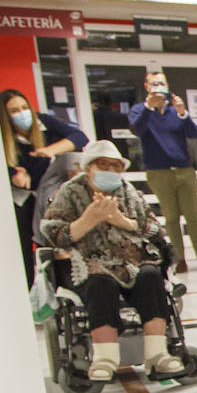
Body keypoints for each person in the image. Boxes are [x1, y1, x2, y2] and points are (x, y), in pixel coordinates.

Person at [41, 140, 185, 380]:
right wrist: (87, 220)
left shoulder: (130, 193)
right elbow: (53, 232)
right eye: (103, 165)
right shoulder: (70, 193)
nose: (111, 171)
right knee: (101, 283)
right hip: (88, 263)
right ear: (88, 168)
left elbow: (154, 229)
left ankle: (157, 354)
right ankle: (105, 359)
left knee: (151, 276)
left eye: (116, 166)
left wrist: (123, 222)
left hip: (131, 262)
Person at [129, 70, 197, 273]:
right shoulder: (139, 111)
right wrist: (148, 108)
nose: (159, 87)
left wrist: (182, 113)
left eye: (162, 83)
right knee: (171, 217)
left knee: (193, 216)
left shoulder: (175, 111)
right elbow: (137, 129)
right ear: (147, 87)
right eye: (155, 84)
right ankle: (180, 259)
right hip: (158, 172)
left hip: (184, 170)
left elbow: (193, 133)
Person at [0, 88, 88, 288]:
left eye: (24, 108)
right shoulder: (1, 135)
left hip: (45, 193)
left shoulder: (43, 123)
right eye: (14, 111)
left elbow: (79, 137)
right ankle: (28, 290)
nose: (21, 113)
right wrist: (13, 173)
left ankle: (59, 287)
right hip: (20, 197)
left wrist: (48, 151)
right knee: (23, 246)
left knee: (52, 239)